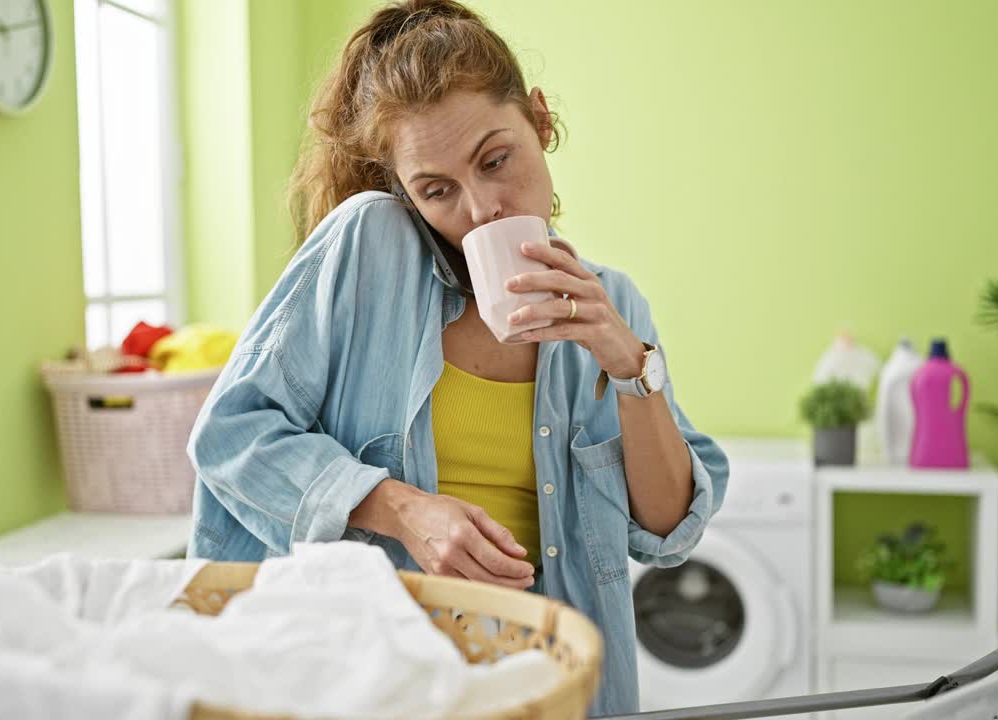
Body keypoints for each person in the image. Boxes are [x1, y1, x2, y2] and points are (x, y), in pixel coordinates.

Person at [186, 1, 728, 714]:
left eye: (496, 160)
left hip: (542, 687)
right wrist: (401, 509)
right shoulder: (369, 249)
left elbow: (665, 534)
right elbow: (232, 433)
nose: (481, 209)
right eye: (436, 190)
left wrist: (629, 362)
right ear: (404, 191)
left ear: (540, 120)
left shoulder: (613, 301)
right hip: (374, 679)